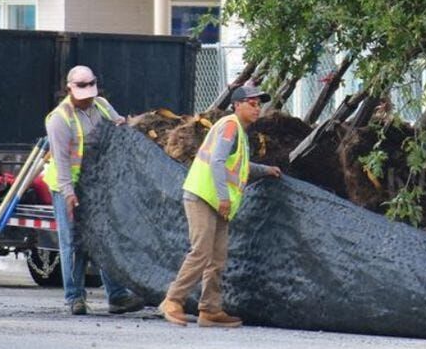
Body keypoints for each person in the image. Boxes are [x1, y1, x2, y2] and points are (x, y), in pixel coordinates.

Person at [159, 84, 282, 328]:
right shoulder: (229, 126)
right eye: (252, 103)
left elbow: (238, 168)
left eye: (259, 104)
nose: (257, 108)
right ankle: (173, 300)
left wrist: (267, 170)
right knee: (201, 251)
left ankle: (210, 310)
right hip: (204, 197)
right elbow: (216, 162)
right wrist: (224, 197)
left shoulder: (240, 132)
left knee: (217, 258)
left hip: (216, 201)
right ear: (237, 105)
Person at [42, 65, 145, 316]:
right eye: (82, 95)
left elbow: (116, 127)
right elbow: (62, 160)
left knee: (104, 238)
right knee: (73, 242)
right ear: (70, 89)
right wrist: (68, 193)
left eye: (90, 92)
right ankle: (75, 297)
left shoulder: (100, 105)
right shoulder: (59, 118)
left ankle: (117, 296)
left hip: (97, 184)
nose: (87, 99)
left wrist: (126, 124)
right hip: (69, 186)